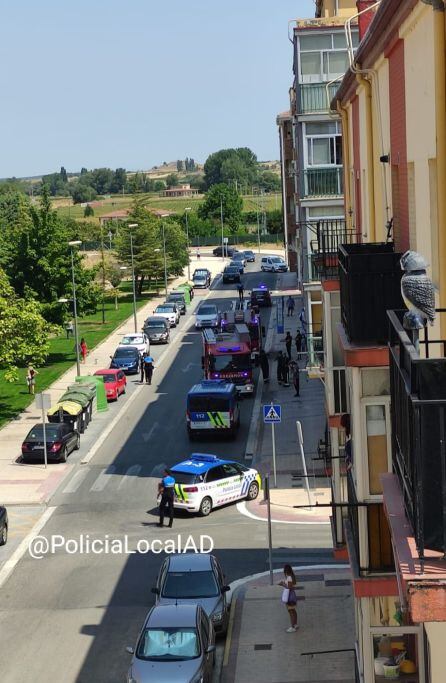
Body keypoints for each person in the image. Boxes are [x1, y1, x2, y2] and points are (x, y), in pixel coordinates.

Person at [278, 564, 298, 632]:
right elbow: (291, 585)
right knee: (293, 610)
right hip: (292, 595)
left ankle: (292, 627)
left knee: (290, 611)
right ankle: (295, 624)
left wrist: (282, 584)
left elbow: (289, 587)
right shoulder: (292, 576)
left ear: (285, 571)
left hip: (289, 596)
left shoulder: (289, 577)